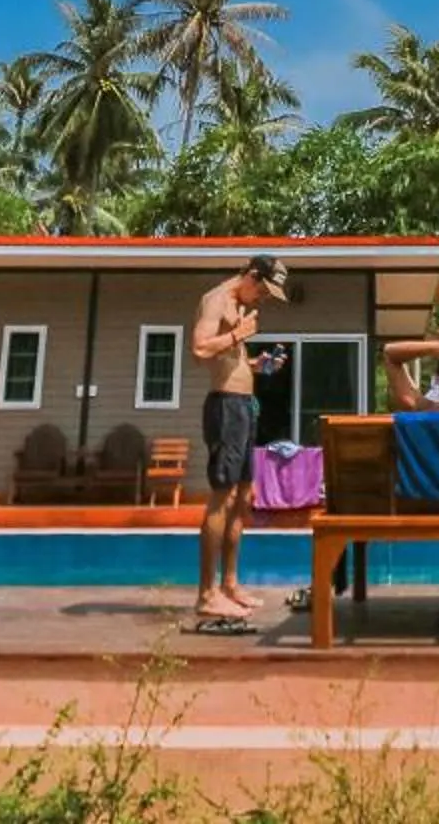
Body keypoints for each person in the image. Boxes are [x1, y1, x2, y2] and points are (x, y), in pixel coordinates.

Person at [188, 252, 288, 629]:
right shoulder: (216, 300)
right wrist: (237, 334)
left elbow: (231, 360)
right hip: (225, 408)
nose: (263, 298)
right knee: (223, 495)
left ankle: (230, 585)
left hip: (245, 405)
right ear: (251, 275)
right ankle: (206, 596)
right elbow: (199, 349)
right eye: (263, 290)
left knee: (244, 496)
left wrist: (257, 364)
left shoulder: (240, 305)